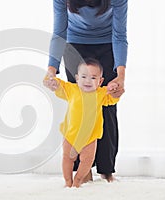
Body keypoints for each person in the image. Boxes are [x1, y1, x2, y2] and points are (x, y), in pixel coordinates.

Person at [44, 0, 127, 182]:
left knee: (106, 108)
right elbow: (59, 33)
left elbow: (120, 35)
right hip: (75, 45)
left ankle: (106, 170)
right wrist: (52, 69)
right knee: (79, 108)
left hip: (108, 45)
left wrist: (120, 75)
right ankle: (82, 168)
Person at [45, 58, 119, 187]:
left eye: (93, 78)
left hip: (90, 136)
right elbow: (59, 85)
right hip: (70, 134)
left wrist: (114, 90)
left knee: (87, 160)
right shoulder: (71, 89)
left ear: (100, 81)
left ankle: (78, 180)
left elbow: (111, 99)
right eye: (84, 77)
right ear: (77, 78)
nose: (87, 81)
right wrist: (54, 82)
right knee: (67, 158)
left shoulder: (100, 93)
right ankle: (68, 181)